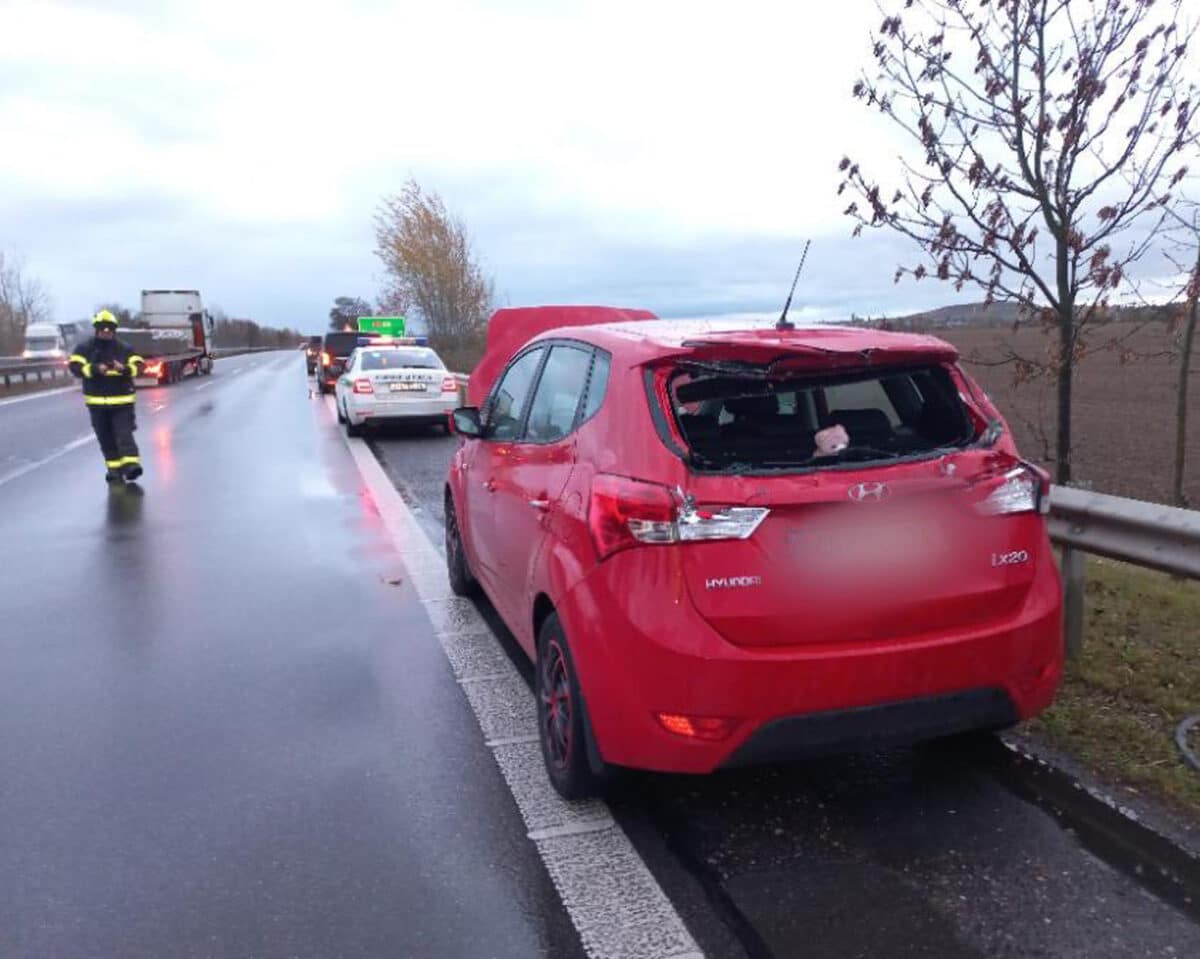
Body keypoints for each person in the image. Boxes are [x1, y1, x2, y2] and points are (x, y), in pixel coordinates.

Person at [68, 310, 146, 483]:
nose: (106, 332)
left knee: (124, 434)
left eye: (109, 328)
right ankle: (114, 470)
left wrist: (123, 368)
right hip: (97, 404)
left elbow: (140, 366)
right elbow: (74, 367)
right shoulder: (84, 348)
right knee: (106, 438)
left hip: (122, 403)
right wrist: (95, 369)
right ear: (96, 329)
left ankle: (131, 466)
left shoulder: (124, 348)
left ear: (114, 330)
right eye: (102, 328)